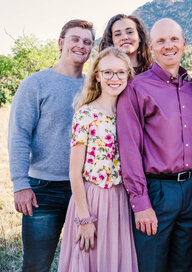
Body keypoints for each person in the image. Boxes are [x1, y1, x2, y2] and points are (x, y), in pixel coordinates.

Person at [116, 18, 192, 272]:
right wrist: (141, 203)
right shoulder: (136, 87)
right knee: (152, 265)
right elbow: (129, 149)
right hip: (157, 191)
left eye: (174, 39)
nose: (168, 46)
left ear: (184, 44)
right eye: (161, 41)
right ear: (151, 47)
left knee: (185, 265)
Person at [8, 19, 94, 271]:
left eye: (87, 41)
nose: (81, 45)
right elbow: (19, 135)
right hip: (44, 191)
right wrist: (20, 184)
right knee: (37, 264)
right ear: (60, 42)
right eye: (75, 39)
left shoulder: (95, 86)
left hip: (86, 189)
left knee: (84, 263)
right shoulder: (36, 84)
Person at [58, 47, 138, 272]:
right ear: (97, 76)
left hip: (121, 199)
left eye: (121, 73)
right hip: (92, 199)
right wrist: (85, 219)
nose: (115, 78)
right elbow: (74, 171)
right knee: (91, 260)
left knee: (114, 261)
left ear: (128, 76)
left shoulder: (128, 113)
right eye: (108, 72)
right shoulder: (86, 114)